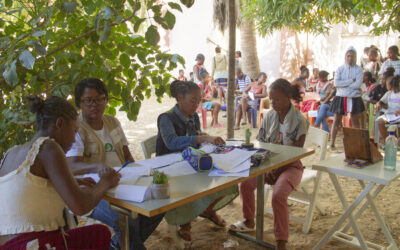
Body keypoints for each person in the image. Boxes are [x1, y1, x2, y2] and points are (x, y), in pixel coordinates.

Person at [0, 96, 119, 249]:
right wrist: (105, 182)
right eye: (74, 131)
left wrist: (71, 183)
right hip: (32, 244)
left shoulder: (11, 153)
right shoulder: (48, 146)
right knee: (99, 233)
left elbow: (26, 192)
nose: (74, 139)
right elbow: (80, 206)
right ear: (60, 124)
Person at [66, 78, 163, 250]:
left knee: (160, 202)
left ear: (106, 100)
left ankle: (118, 245)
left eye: (99, 99)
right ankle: (126, 244)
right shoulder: (76, 128)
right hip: (95, 191)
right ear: (79, 103)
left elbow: (126, 154)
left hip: (124, 182)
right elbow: (72, 165)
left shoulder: (112, 122)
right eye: (88, 100)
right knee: (125, 218)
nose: (94, 105)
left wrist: (140, 173)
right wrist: (96, 167)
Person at [230, 78, 308, 250]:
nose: (272, 103)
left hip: (290, 167)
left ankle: (281, 241)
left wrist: (274, 167)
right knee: (245, 183)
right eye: (271, 99)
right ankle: (249, 221)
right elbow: (261, 143)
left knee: (278, 196)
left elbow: (295, 152)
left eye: (276, 99)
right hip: (268, 163)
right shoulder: (269, 116)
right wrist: (264, 164)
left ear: (288, 97)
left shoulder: (299, 121)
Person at [156, 80, 238, 241]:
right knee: (188, 182)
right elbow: (171, 142)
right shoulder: (166, 118)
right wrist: (201, 138)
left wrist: (208, 140)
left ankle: (207, 209)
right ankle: (185, 222)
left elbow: (198, 136)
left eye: (198, 101)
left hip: (190, 161)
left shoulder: (193, 116)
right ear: (180, 97)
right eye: (193, 100)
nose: (196, 104)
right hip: (168, 166)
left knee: (227, 176)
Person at [329, 46, 364, 150]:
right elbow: (336, 83)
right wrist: (350, 81)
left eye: (352, 56)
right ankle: (332, 143)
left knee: (355, 121)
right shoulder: (340, 69)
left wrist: (345, 86)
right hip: (341, 97)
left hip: (354, 97)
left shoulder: (358, 69)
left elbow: (358, 84)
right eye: (348, 56)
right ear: (345, 56)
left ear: (355, 57)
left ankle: (357, 143)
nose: (350, 58)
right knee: (337, 120)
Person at [376, 76, 400, 142]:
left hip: (398, 115)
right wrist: (378, 104)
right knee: (380, 122)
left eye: (387, 84)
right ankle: (387, 141)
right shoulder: (388, 94)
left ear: (390, 85)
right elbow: (380, 101)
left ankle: (397, 141)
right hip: (390, 115)